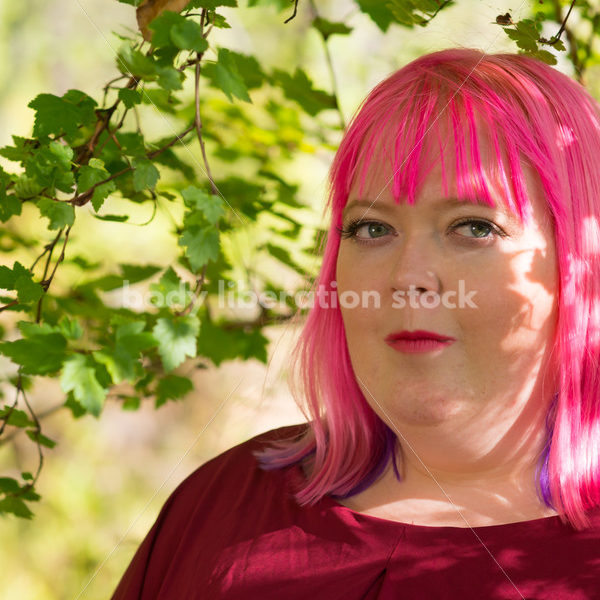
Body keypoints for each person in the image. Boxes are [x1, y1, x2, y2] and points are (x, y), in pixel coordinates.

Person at [111, 48, 600, 599]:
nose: (407, 275)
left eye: (473, 226)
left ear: (579, 262)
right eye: (371, 229)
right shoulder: (220, 506)